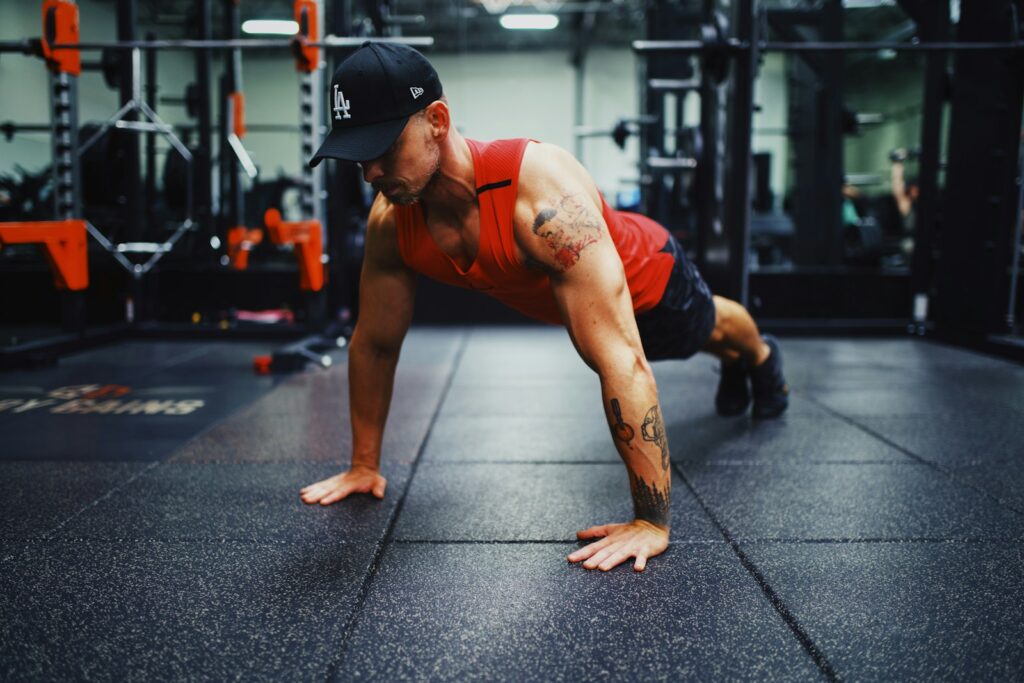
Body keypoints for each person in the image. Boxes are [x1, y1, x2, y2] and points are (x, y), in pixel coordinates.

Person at [299, 43, 789, 573]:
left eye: (382, 149)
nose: (370, 172)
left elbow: (620, 360)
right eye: (358, 156)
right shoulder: (392, 221)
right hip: (573, 305)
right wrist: (362, 465)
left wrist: (651, 521)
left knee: (707, 329)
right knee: (693, 340)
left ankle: (762, 359)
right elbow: (374, 342)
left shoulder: (540, 197)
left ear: (436, 120)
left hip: (650, 278)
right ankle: (746, 362)